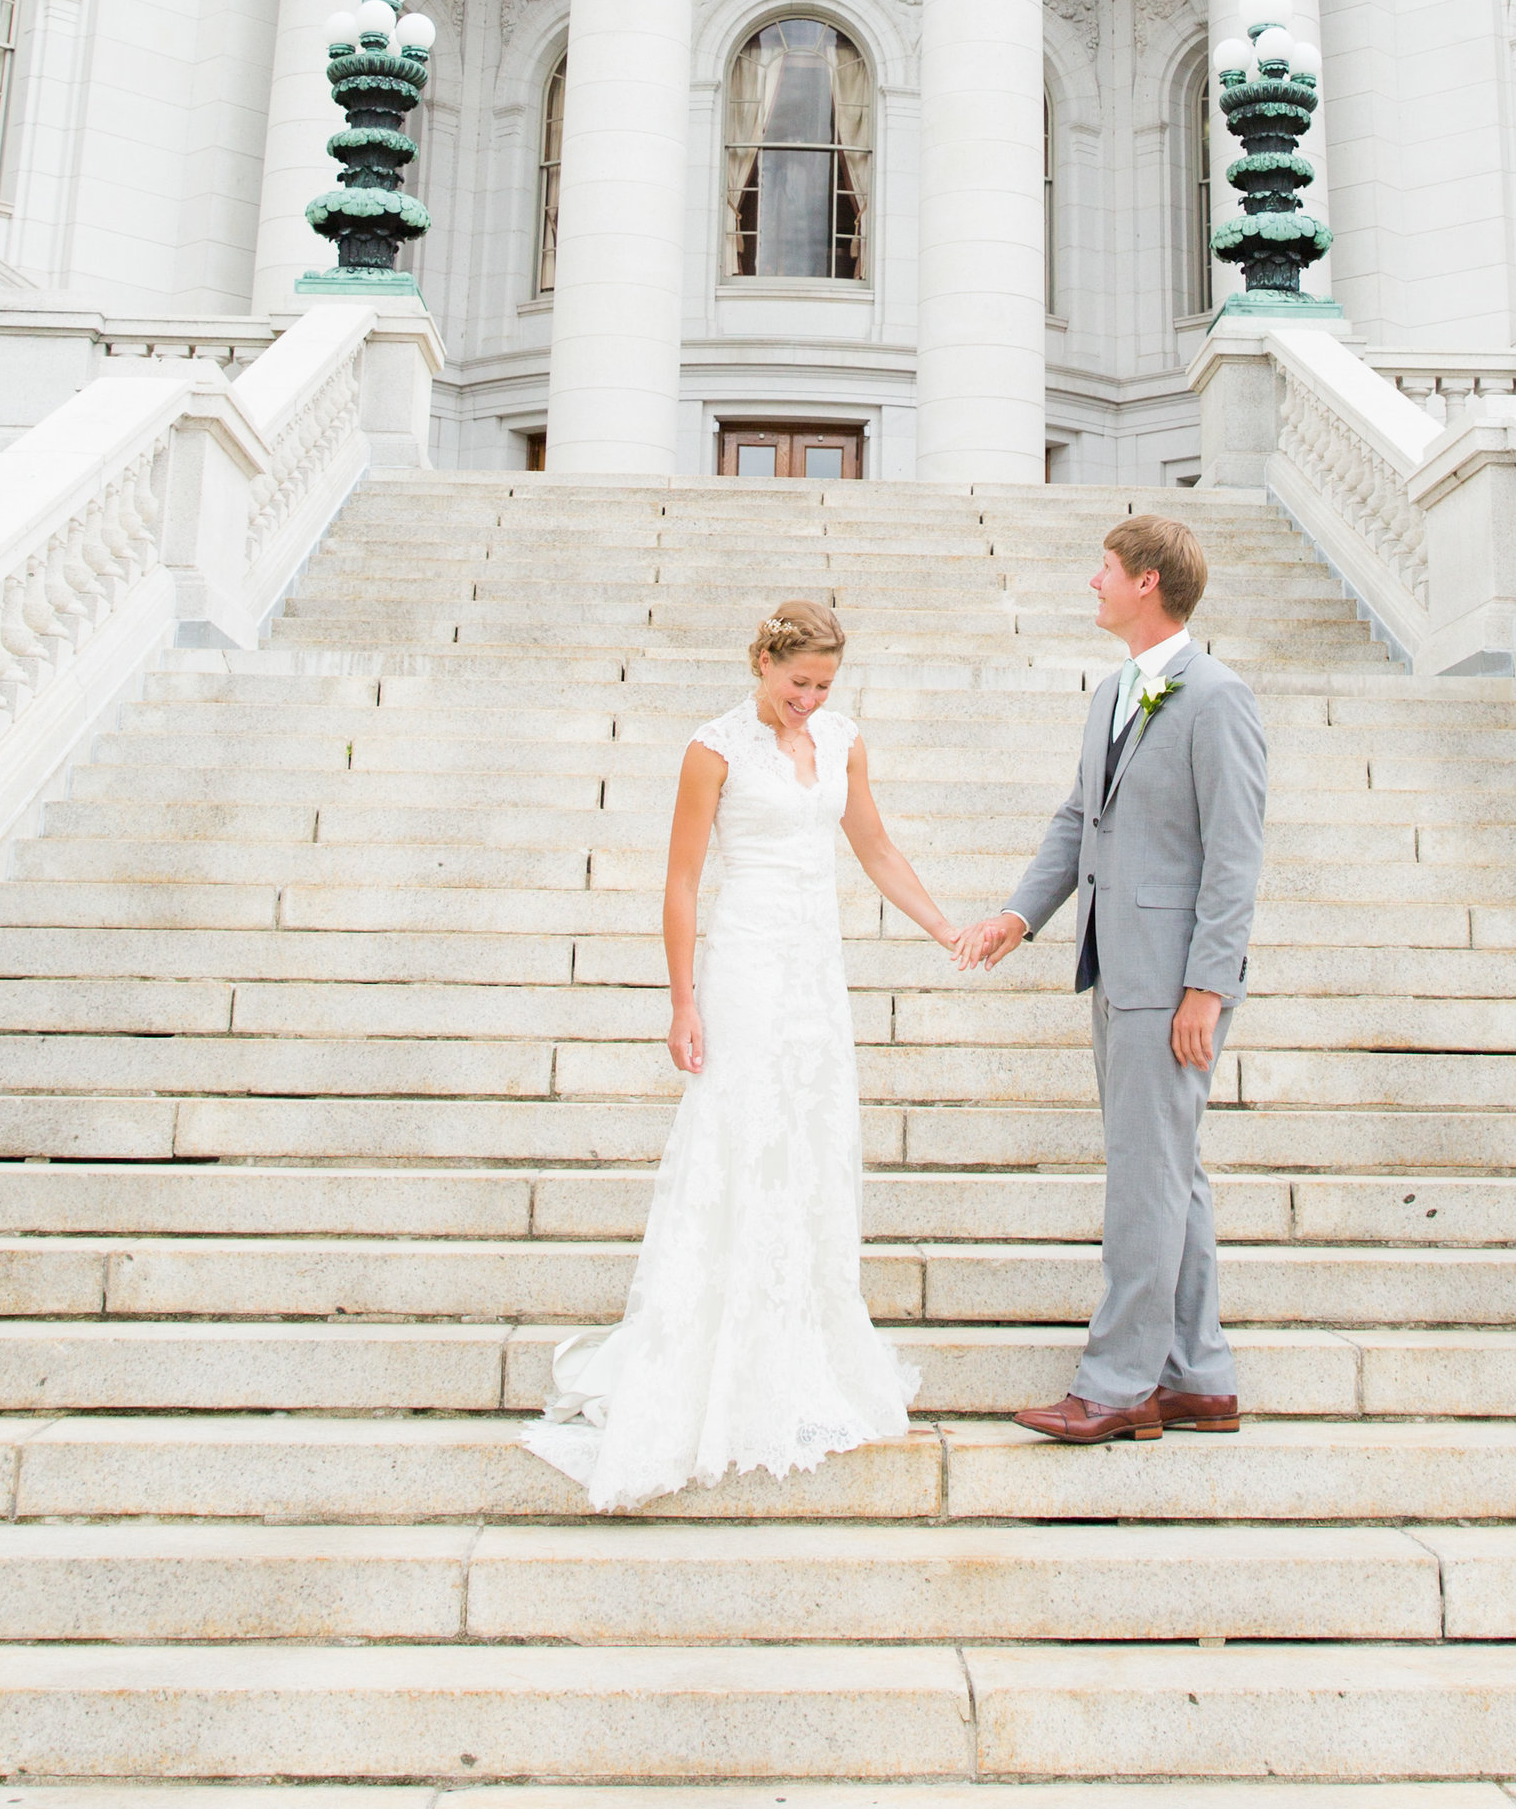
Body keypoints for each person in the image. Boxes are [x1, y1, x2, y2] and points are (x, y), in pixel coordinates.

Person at [525, 597, 962, 1509]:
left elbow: (874, 845)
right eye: (799, 681)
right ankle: (716, 1360)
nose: (810, 699)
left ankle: (798, 1349)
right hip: (746, 967)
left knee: (809, 1141)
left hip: (814, 971)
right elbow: (682, 882)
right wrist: (682, 999)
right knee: (740, 1140)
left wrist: (942, 926)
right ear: (764, 661)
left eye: (824, 685)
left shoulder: (843, 739)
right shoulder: (712, 748)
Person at [956, 513, 1268, 1440]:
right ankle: (1197, 1371)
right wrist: (1020, 914)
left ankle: (1119, 1382)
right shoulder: (1113, 694)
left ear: (1146, 583)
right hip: (1116, 965)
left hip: (1172, 982)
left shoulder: (1218, 697)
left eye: (1104, 568)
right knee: (1171, 1170)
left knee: (1145, 1173)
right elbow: (1075, 818)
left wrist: (1207, 987)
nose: (1092, 582)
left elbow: (1236, 857)